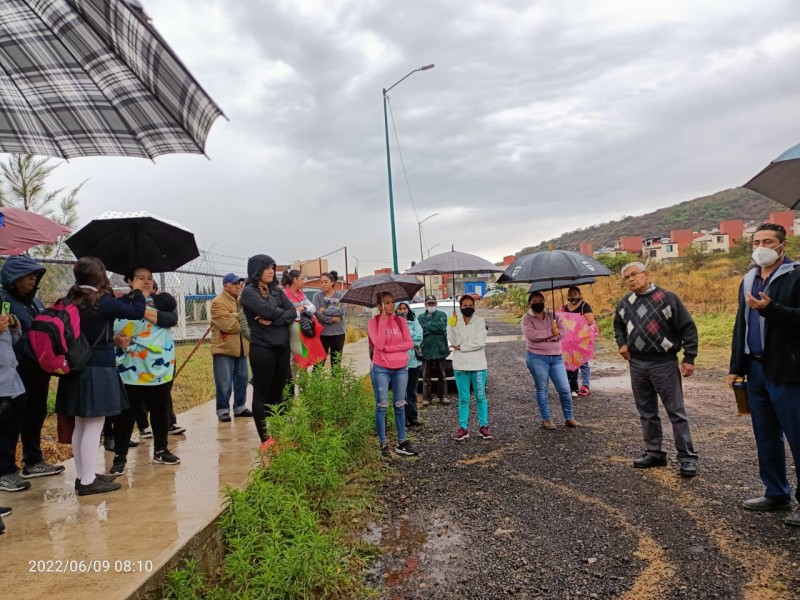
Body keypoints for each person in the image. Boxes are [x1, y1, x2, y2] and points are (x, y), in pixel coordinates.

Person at [55, 257, 146, 496]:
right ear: (99, 276)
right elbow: (136, 312)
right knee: (94, 424)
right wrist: (137, 290)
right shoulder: (102, 301)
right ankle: (87, 482)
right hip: (99, 368)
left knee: (81, 425)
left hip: (75, 367)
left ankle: (82, 476)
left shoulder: (71, 299)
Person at [729, 223, 800, 526]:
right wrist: (736, 366)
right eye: (756, 241)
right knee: (766, 435)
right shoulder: (749, 278)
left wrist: (772, 310)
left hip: (788, 369)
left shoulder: (796, 275)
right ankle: (775, 492)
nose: (761, 247)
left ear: (783, 245)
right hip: (755, 369)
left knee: (797, 436)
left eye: (767, 241)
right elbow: (741, 324)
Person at [614, 262, 698, 478]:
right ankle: (654, 453)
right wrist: (622, 344)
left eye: (635, 274)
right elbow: (618, 327)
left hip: (664, 362)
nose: (631, 279)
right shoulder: (625, 302)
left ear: (647, 274)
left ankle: (687, 458)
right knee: (646, 411)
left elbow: (688, 327)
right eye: (627, 277)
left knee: (676, 411)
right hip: (637, 363)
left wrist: (689, 357)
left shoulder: (667, 298)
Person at [0, 256, 65, 488]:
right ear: (12, 278)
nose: (32, 278)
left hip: (38, 368)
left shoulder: (34, 301)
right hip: (15, 371)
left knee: (35, 415)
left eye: (35, 275)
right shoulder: (4, 301)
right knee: (10, 421)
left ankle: (33, 460)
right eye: (27, 275)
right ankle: (5, 470)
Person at [110, 267, 181, 476]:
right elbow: (114, 326)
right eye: (141, 278)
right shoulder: (121, 303)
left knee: (160, 410)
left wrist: (141, 310)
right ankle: (120, 456)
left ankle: (161, 449)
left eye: (150, 278)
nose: (147, 281)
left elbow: (170, 319)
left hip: (161, 367)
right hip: (132, 367)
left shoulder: (163, 301)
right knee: (126, 414)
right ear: (130, 280)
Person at [240, 255, 297, 443]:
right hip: (263, 349)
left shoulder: (277, 292)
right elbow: (266, 311)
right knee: (261, 394)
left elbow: (293, 311)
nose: (271, 271)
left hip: (282, 347)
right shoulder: (249, 292)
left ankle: (278, 435)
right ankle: (265, 440)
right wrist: (280, 316)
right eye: (267, 268)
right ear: (257, 270)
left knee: (279, 393)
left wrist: (274, 321)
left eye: (272, 267)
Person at [368, 292, 417, 457]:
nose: (391, 306)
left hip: (401, 368)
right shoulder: (373, 323)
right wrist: (382, 322)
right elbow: (379, 344)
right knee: (382, 405)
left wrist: (390, 349)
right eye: (387, 303)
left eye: (392, 302)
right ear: (379, 306)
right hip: (381, 368)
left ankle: (401, 443)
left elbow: (409, 343)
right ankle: (383, 444)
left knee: (400, 404)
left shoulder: (400, 321)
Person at [522, 292, 581, 430]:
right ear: (530, 303)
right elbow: (532, 335)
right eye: (535, 301)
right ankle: (546, 419)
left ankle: (569, 418)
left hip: (556, 358)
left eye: (540, 300)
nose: (538, 303)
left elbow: (562, 332)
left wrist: (554, 334)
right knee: (542, 388)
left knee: (565, 388)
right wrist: (551, 333)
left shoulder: (554, 315)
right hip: (536, 357)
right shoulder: (526, 319)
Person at [448, 295, 491, 441]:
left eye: (470, 305)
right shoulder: (454, 321)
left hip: (478, 366)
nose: (468, 307)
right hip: (460, 366)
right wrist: (452, 325)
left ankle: (483, 426)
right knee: (463, 398)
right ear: (460, 307)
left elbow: (480, 342)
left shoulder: (480, 321)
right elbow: (453, 341)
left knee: (480, 397)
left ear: (474, 306)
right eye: (464, 305)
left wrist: (462, 347)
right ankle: (463, 428)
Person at [211, 273, 251, 423]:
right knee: (224, 381)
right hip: (224, 347)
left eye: (239, 283)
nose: (238, 286)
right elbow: (229, 325)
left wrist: (235, 315)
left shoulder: (242, 301)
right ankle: (223, 410)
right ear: (225, 285)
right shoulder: (218, 302)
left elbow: (248, 320)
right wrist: (242, 321)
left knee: (242, 379)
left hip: (242, 346)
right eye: (234, 283)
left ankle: (240, 407)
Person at [0, 308, 25, 516]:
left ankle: (7, 471)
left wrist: (14, 328)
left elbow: (9, 345)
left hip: (11, 385)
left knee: (9, 433)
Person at [561, 286, 595, 397]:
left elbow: (590, 320)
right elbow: (561, 321)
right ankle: (570, 386)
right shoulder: (564, 307)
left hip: (581, 339)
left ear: (580, 294)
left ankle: (585, 386)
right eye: (570, 294)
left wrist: (578, 325)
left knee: (583, 362)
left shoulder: (585, 306)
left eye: (575, 293)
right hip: (568, 340)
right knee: (569, 361)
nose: (572, 295)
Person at [418, 295, 449, 407]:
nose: (431, 305)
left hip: (440, 348)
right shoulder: (420, 317)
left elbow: (442, 327)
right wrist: (434, 328)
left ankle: (443, 396)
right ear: (425, 305)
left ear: (436, 304)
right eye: (429, 303)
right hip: (426, 349)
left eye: (433, 303)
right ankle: (427, 398)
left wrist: (429, 326)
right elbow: (421, 330)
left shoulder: (442, 315)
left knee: (442, 375)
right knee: (426, 376)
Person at [395, 302, 422, 427]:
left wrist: (406, 337)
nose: (402, 310)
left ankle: (413, 416)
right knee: (401, 392)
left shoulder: (414, 321)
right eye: (399, 308)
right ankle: (403, 418)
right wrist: (408, 338)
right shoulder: (393, 323)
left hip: (413, 363)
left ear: (408, 309)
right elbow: (394, 340)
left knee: (412, 391)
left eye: (404, 308)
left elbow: (419, 338)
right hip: (398, 363)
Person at [312, 271, 346, 368]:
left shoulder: (341, 296)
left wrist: (324, 311)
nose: (323, 284)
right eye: (321, 282)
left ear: (332, 282)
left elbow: (341, 312)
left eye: (326, 282)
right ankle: (317, 383)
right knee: (318, 363)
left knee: (336, 363)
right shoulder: (317, 296)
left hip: (338, 334)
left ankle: (336, 383)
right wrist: (332, 319)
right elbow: (316, 313)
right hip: (322, 334)